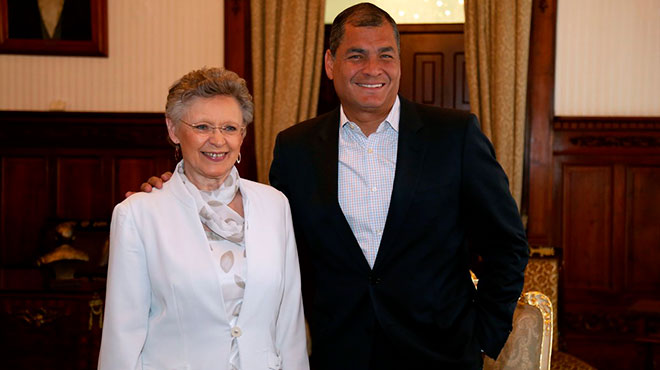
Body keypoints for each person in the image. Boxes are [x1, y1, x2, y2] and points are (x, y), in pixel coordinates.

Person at [140, 3, 529, 369]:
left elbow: (507, 244)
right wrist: (177, 195)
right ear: (330, 63)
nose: (372, 68)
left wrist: (483, 335)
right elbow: (262, 236)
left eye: (386, 55)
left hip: (442, 354)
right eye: (356, 55)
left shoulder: (454, 136)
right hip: (338, 353)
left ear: (399, 63)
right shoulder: (295, 148)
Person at [99, 67, 309, 370]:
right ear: (173, 130)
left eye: (229, 128)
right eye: (202, 127)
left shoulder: (274, 205)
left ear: (243, 135)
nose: (217, 140)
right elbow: (123, 334)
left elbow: (289, 321)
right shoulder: (138, 215)